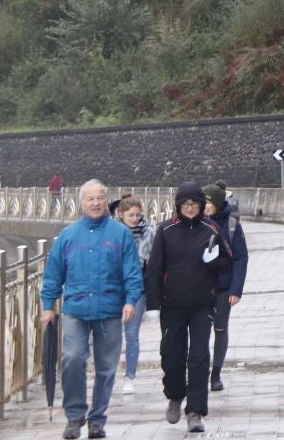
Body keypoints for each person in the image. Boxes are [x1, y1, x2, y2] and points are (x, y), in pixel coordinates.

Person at [40, 180, 143, 440]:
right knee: (72, 358)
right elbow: (53, 273)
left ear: (106, 201)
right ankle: (75, 416)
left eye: (100, 198)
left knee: (106, 368)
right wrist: (47, 306)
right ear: (81, 203)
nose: (96, 203)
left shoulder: (120, 234)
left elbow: (132, 271)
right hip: (76, 308)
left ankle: (97, 420)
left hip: (109, 310)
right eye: (90, 199)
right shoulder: (68, 235)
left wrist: (131, 300)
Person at [146, 181, 232, 434]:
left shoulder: (211, 229)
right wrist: (153, 304)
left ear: (202, 205)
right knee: (171, 356)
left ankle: (195, 411)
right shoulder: (165, 231)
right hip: (171, 304)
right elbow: (153, 270)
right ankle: (175, 394)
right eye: (186, 204)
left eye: (195, 204)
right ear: (178, 206)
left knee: (198, 356)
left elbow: (226, 263)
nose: (191, 208)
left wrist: (213, 261)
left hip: (202, 303)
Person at [203, 183, 247, 393]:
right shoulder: (197, 222)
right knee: (200, 331)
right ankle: (201, 371)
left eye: (209, 202)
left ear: (218, 203)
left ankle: (216, 374)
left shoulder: (232, 225)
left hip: (223, 286)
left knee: (220, 328)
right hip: (200, 286)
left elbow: (241, 257)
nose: (204, 206)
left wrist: (236, 290)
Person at [115, 196, 155, 395]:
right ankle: (107, 372)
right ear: (121, 214)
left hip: (138, 287)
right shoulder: (112, 232)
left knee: (131, 334)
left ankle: (130, 376)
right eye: (131, 215)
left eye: (138, 215)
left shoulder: (149, 233)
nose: (135, 219)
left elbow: (155, 262)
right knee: (112, 334)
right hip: (114, 287)